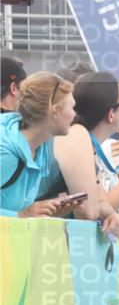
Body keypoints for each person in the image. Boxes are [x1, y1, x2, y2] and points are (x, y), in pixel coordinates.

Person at [50, 71, 119, 235]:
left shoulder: (84, 139)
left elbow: (100, 201)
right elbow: (88, 211)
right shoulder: (77, 135)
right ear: (111, 114)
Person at [1, 72, 77, 218]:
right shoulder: (6, 154)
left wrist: (48, 212)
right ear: (56, 110)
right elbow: (20, 214)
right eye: (72, 107)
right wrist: (21, 215)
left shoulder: (38, 150)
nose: (74, 114)